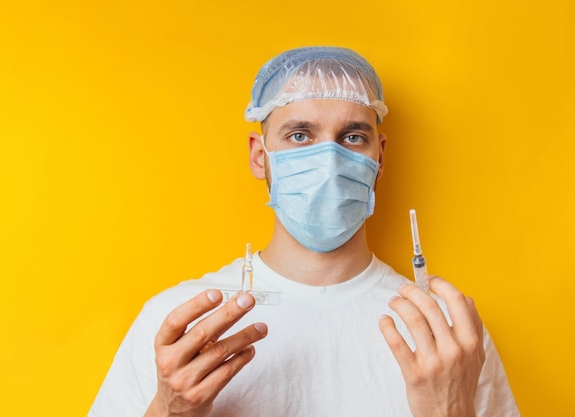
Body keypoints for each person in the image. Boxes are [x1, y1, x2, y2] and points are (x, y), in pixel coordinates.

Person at [89, 46, 520, 417]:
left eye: (352, 137)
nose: (329, 160)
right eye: (300, 135)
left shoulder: (446, 335)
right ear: (260, 157)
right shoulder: (182, 328)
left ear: (379, 157)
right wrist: (170, 409)